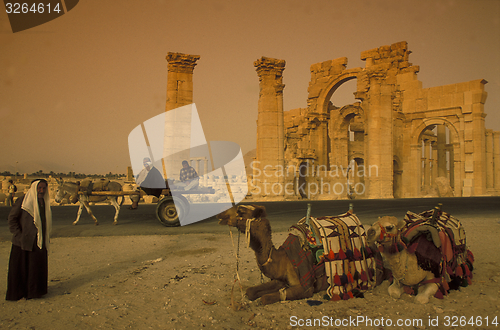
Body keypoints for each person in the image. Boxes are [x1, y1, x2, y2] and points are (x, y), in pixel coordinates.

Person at [6, 179, 52, 301]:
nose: (41, 191)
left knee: (35, 268)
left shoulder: (43, 201)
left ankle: (34, 292)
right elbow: (12, 220)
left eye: (43, 188)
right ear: (33, 188)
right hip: (22, 242)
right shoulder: (23, 200)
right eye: (39, 188)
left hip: (38, 241)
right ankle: (19, 293)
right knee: (21, 268)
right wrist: (20, 236)